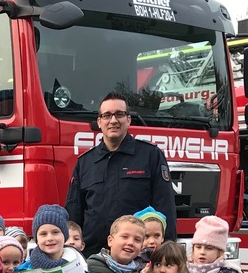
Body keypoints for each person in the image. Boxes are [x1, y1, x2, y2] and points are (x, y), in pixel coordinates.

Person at [66, 91, 177, 255]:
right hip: (93, 257)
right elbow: (74, 214)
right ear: (99, 121)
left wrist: (166, 254)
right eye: (107, 115)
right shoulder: (85, 163)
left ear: (128, 119)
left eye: (119, 114)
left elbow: (165, 208)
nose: (113, 120)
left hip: (138, 259)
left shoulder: (150, 155)